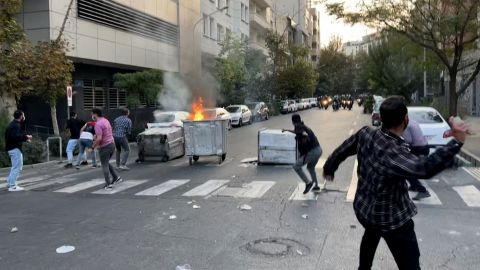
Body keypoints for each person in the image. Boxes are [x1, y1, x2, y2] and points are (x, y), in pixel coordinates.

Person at [323, 96, 467, 270]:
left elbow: (344, 148)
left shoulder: (366, 133)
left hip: (365, 210)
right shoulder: (393, 152)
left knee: (371, 234)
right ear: (406, 119)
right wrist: (456, 142)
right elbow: (424, 168)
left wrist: (330, 166)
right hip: (392, 219)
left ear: (381, 118)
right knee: (409, 262)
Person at [283, 114, 323, 194]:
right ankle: (316, 186)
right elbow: (298, 132)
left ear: (293, 122)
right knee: (310, 168)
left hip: (312, 152)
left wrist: (302, 155)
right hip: (318, 150)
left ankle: (308, 183)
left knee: (296, 166)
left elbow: (304, 140)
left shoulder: (299, 127)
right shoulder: (302, 126)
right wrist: (287, 130)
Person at [91, 108, 122, 190]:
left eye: (92, 114)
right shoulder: (106, 121)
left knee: (104, 165)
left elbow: (99, 139)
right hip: (111, 145)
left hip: (104, 147)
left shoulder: (98, 124)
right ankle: (116, 177)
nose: (92, 116)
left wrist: (93, 147)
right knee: (106, 162)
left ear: (95, 114)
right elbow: (109, 133)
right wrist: (114, 145)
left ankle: (108, 184)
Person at [4, 110, 32, 191]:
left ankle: (10, 182)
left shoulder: (14, 124)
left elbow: (16, 136)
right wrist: (26, 137)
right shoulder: (16, 126)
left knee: (15, 167)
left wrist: (25, 138)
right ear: (20, 116)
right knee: (18, 167)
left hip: (12, 148)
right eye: (23, 115)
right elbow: (15, 137)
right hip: (15, 148)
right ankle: (12, 186)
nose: (24, 117)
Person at [403, 119, 431, 200]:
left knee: (406, 169)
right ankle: (414, 185)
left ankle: (422, 190)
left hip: (419, 149)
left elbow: (408, 140)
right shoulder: (413, 122)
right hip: (424, 147)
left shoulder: (405, 125)